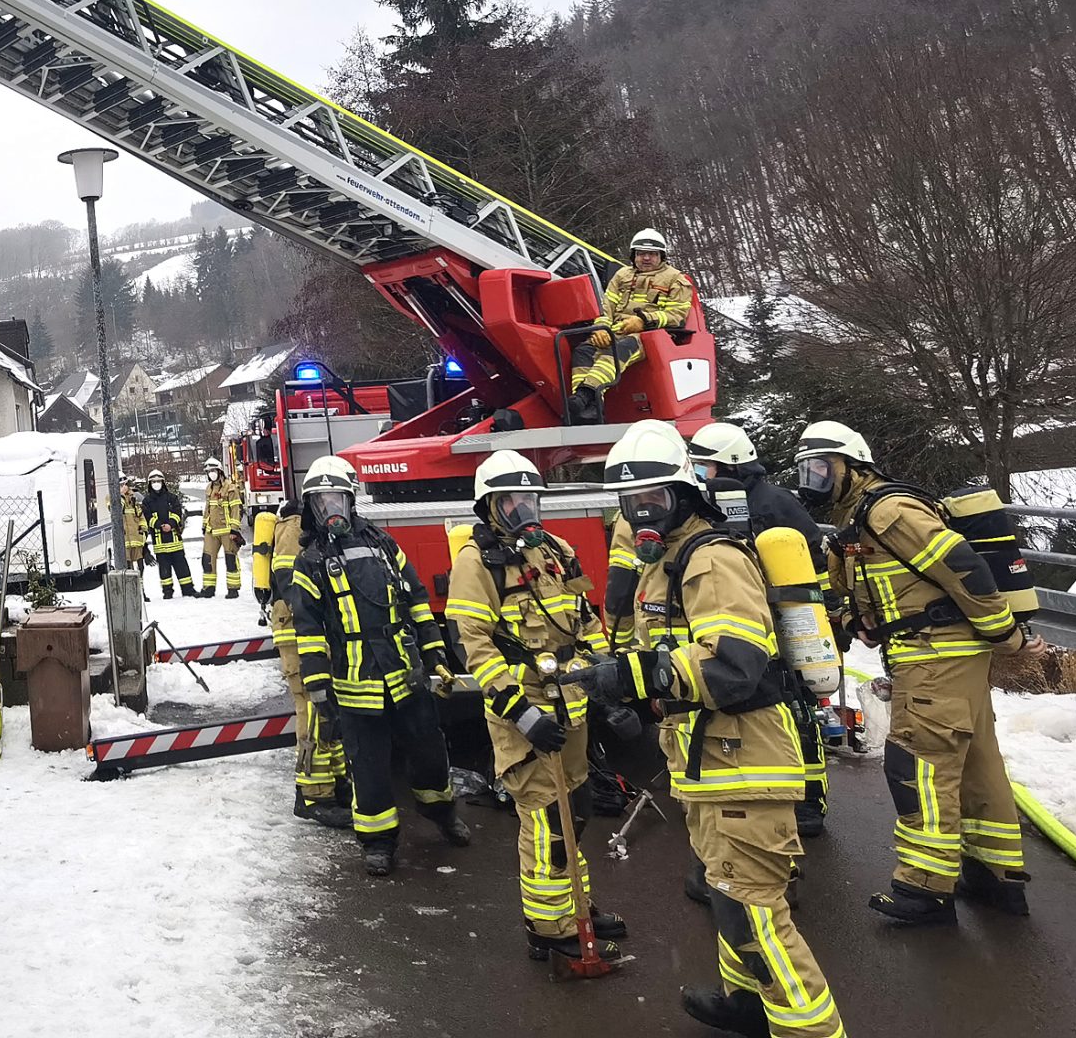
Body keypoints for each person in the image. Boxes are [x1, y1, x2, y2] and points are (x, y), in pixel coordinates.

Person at [583, 422, 841, 1038]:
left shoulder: (711, 559)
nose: (642, 515)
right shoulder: (666, 563)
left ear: (685, 493)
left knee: (754, 911)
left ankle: (810, 1028)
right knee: (727, 895)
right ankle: (746, 1003)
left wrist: (630, 675)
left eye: (654, 499)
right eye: (630, 503)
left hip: (745, 759)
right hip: (706, 759)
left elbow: (734, 666)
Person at [797, 419, 1029, 926]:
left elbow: (962, 567)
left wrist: (1005, 634)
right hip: (942, 654)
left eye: (821, 468)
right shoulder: (859, 519)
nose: (812, 479)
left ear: (852, 466)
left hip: (935, 656)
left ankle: (925, 888)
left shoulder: (888, 510)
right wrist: (859, 622)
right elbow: (884, 588)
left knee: (919, 766)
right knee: (976, 764)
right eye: (806, 470)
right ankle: (996, 877)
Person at [449, 451, 622, 963]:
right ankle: (550, 928)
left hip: (571, 706)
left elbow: (586, 621)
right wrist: (523, 714)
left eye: (530, 499)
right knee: (546, 819)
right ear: (490, 507)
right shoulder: (476, 563)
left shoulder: (558, 551)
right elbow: (474, 647)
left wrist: (606, 683)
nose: (525, 509)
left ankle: (576, 906)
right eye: (512, 501)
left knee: (577, 810)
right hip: (523, 714)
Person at [285, 457, 472, 875]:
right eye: (321, 502)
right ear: (312, 507)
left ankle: (442, 814)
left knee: (429, 754)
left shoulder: (383, 544)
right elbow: (308, 631)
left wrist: (434, 654)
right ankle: (378, 842)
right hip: (355, 683)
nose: (330, 509)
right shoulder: (310, 562)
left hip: (406, 674)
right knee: (368, 768)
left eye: (337, 499)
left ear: (350, 501)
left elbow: (417, 599)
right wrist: (318, 689)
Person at [687, 421, 833, 839]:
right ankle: (776, 796)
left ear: (728, 465)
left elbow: (812, 565)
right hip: (753, 627)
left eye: (704, 466)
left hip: (785, 628)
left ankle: (809, 801)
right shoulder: (722, 503)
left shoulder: (771, 504)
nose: (699, 473)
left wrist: (821, 618)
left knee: (799, 710)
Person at [263, 486, 349, 823]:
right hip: (297, 633)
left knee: (330, 710)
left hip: (315, 633)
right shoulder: (293, 527)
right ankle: (312, 795)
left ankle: (336, 783)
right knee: (312, 709)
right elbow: (290, 582)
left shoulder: (313, 527)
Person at [566, 229, 696, 425]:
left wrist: (644, 321)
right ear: (633, 255)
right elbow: (606, 308)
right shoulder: (622, 275)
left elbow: (677, 316)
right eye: (641, 253)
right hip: (616, 330)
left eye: (652, 254)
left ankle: (585, 394)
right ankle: (590, 411)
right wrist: (600, 329)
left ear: (661, 256)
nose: (646, 258)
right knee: (583, 351)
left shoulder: (676, 280)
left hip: (651, 336)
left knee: (617, 350)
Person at [141, 471, 192, 600]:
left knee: (182, 568)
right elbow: (147, 518)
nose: (156, 484)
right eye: (154, 482)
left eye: (158, 481)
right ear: (150, 484)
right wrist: (160, 525)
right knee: (164, 571)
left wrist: (171, 524)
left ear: (163, 482)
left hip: (175, 541)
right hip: (160, 544)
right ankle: (167, 592)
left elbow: (177, 513)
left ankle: (188, 590)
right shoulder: (147, 501)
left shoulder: (172, 498)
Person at [198, 460, 246, 598]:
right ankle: (208, 588)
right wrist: (204, 525)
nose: (211, 474)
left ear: (220, 472)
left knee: (230, 559)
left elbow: (236, 509)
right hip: (212, 531)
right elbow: (208, 509)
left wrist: (234, 529)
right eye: (209, 472)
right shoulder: (209, 488)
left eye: (213, 471)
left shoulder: (230, 488)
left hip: (227, 531)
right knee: (207, 559)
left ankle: (233, 589)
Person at [119, 477, 148, 575]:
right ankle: (131, 584)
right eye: (121, 485)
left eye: (124, 484)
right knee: (128, 567)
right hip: (124, 540)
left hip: (136, 538)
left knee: (140, 566)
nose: (123, 487)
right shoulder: (112, 498)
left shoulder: (133, 498)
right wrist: (121, 496)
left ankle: (141, 582)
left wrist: (143, 531)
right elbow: (117, 509)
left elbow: (141, 517)